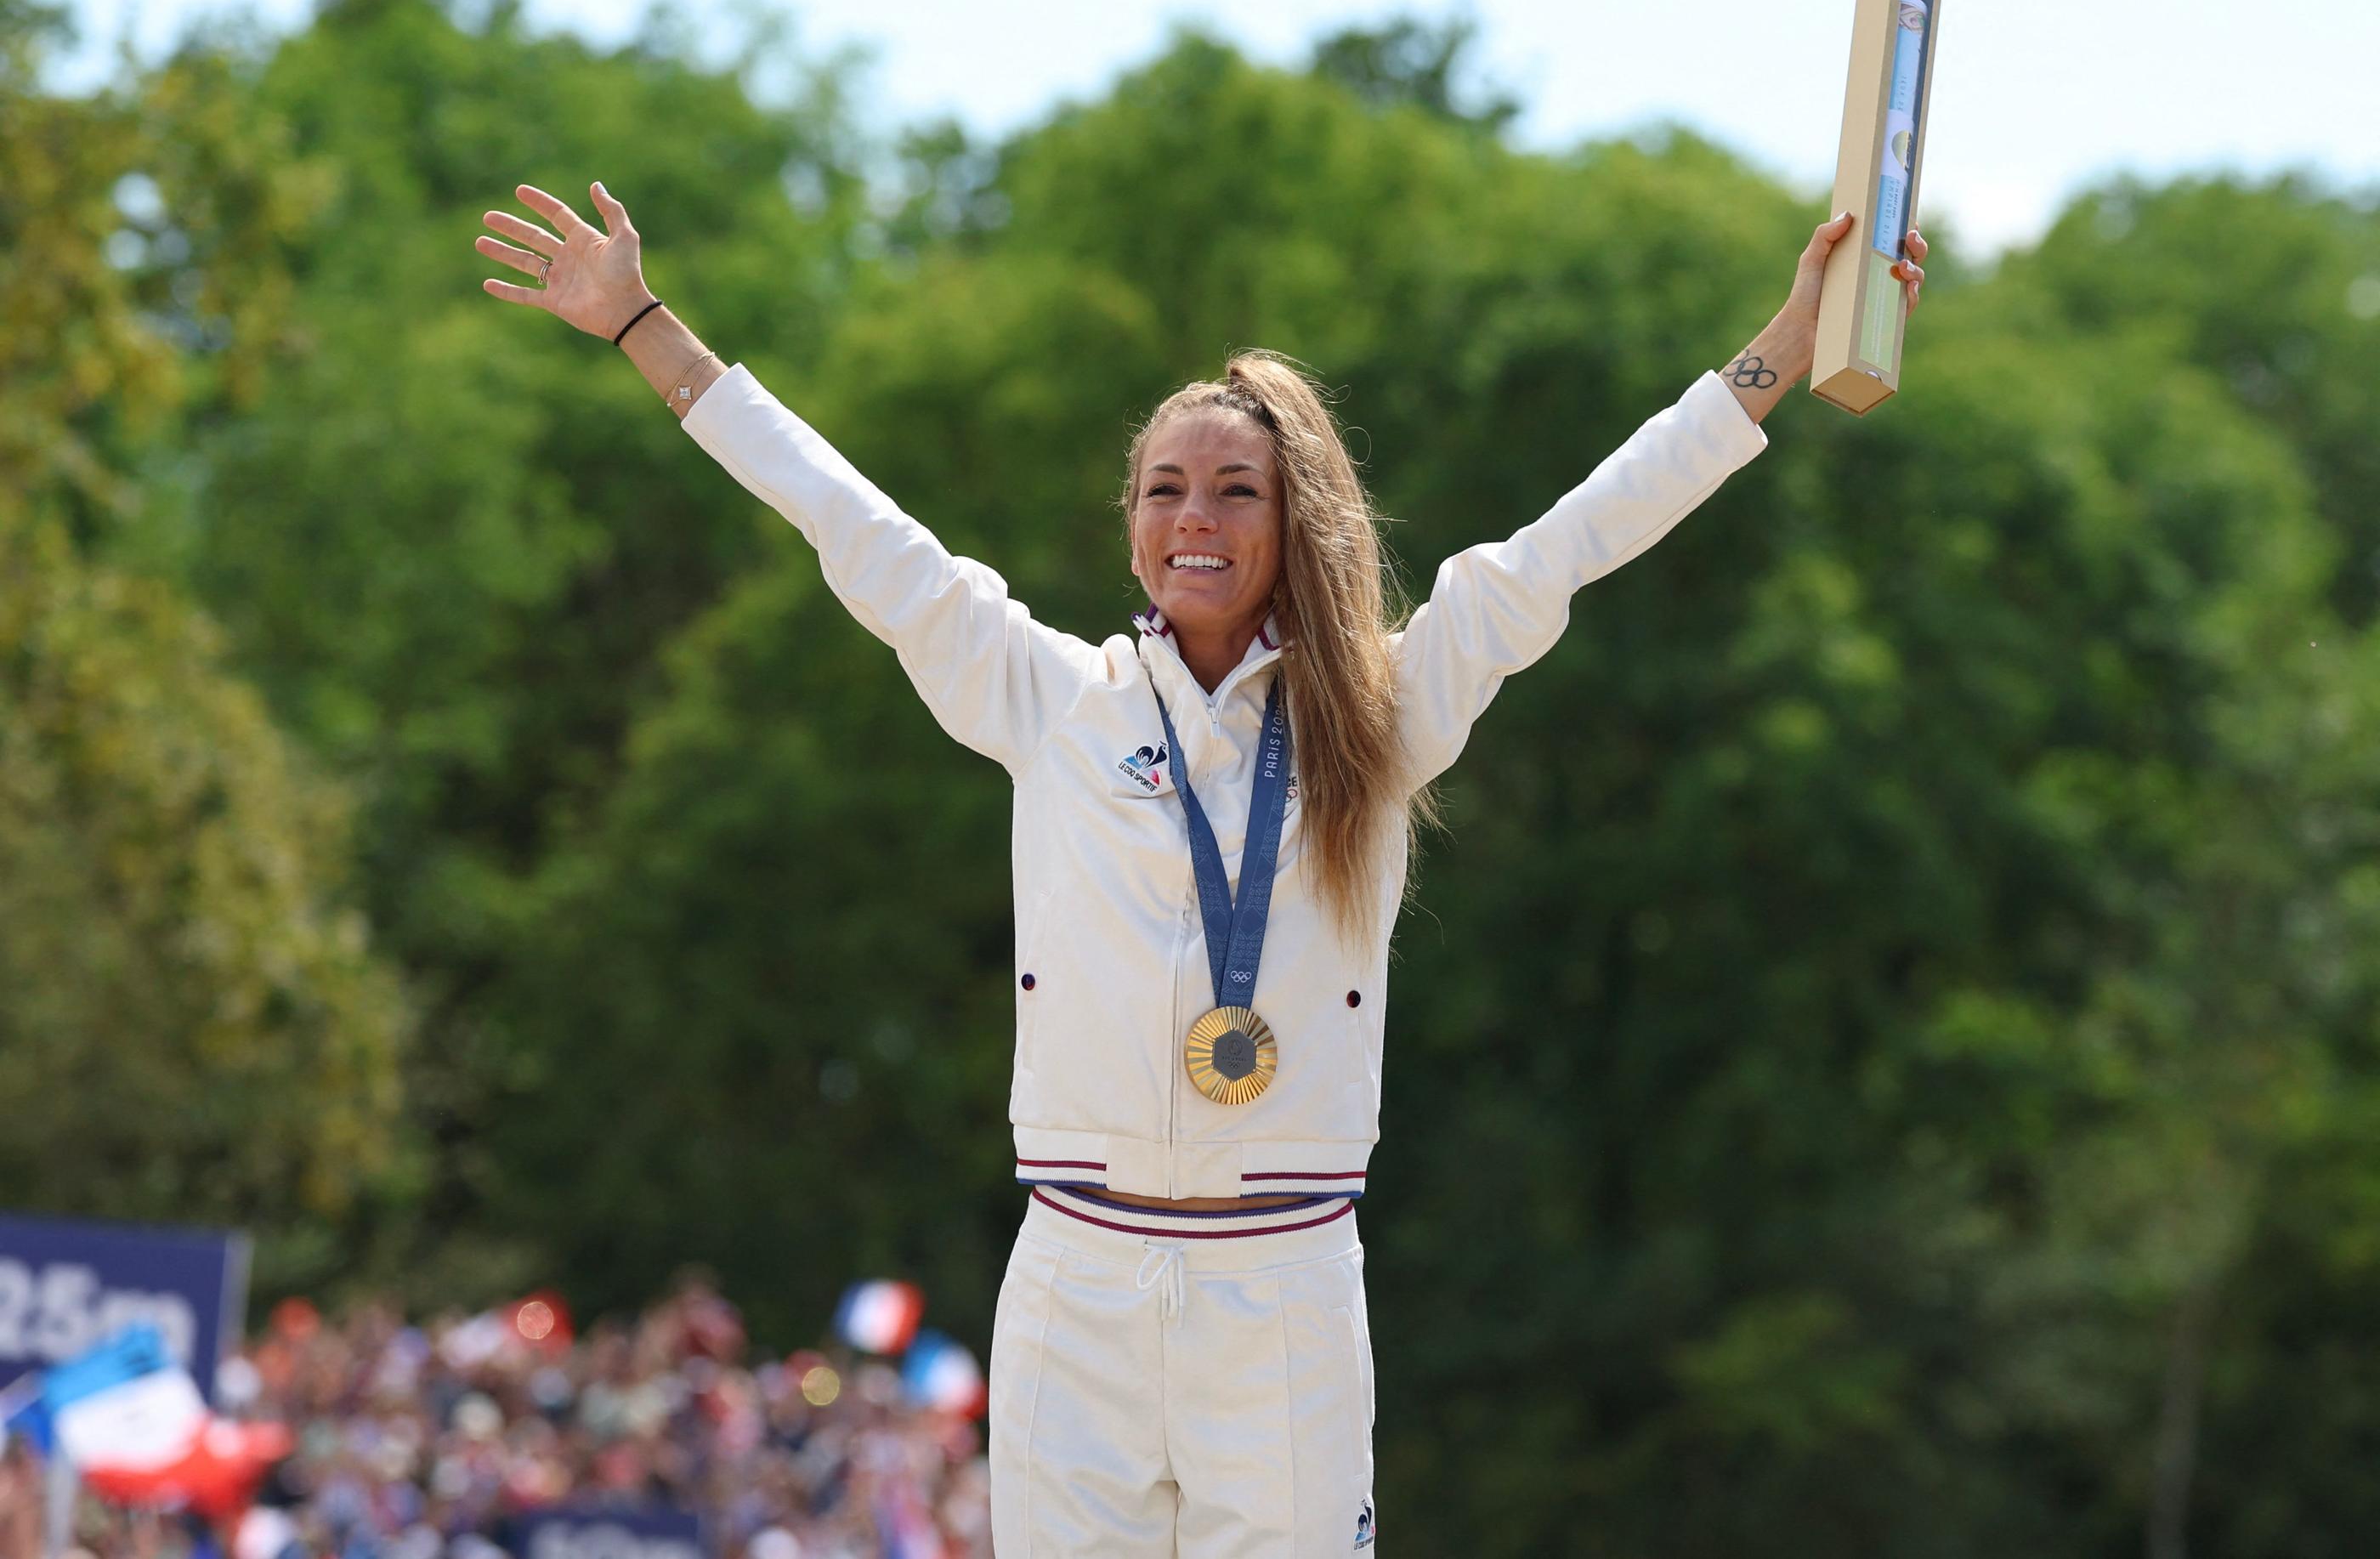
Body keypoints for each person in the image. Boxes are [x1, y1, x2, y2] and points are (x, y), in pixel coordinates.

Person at [477, 180, 1924, 1556]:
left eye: (1235, 490)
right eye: (1165, 489)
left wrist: (1778, 358)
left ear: (1294, 523)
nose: (1195, 520)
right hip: (1076, 1274)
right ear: (1130, 522)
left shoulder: (1380, 711)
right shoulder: (1049, 700)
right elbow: (854, 527)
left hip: (1282, 1282)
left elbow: (1565, 548)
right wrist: (642, 330)